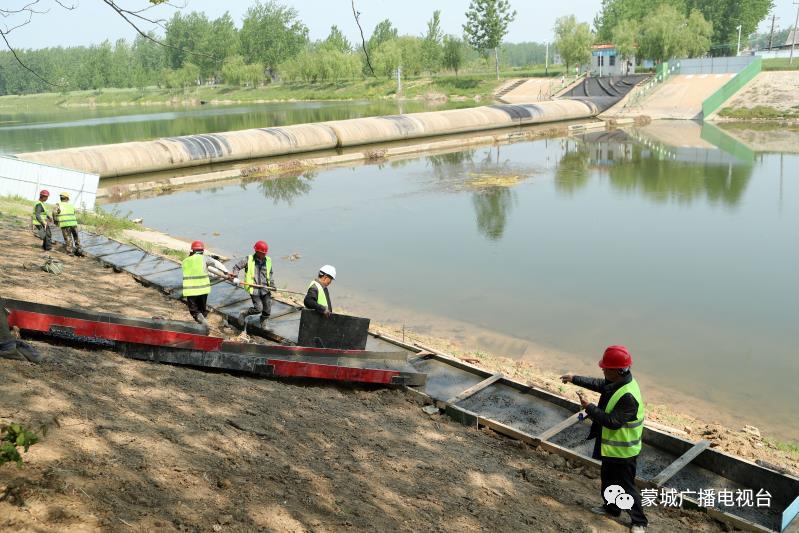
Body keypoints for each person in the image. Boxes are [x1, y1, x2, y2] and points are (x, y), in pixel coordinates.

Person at [560, 345, 648, 533]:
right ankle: (612, 508)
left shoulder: (628, 396)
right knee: (608, 481)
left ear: (617, 370)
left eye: (606, 367)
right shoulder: (618, 381)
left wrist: (589, 407)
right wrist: (574, 378)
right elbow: (600, 384)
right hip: (610, 447)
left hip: (624, 451)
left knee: (626, 486)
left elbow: (612, 422)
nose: (602, 369)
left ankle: (639, 521)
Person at [181, 240, 232, 327]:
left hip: (191, 290)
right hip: (203, 289)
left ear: (192, 250)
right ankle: (202, 323)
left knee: (194, 311)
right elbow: (216, 263)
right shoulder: (204, 258)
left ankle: (202, 323)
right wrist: (226, 272)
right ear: (203, 251)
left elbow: (194, 271)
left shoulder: (185, 261)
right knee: (201, 309)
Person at [232, 240, 274, 328]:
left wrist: (272, 285)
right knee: (258, 308)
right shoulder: (249, 259)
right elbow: (236, 267)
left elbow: (270, 274)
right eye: (262, 253)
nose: (264, 255)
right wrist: (235, 276)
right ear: (257, 251)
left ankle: (263, 320)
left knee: (268, 307)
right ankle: (244, 313)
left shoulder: (268, 261)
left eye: (265, 253)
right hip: (253, 289)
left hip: (265, 288)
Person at [52, 192, 83, 256]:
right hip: (73, 223)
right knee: (76, 237)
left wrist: (56, 222)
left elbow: (54, 214)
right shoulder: (71, 205)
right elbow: (73, 213)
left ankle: (70, 252)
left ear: (61, 198)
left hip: (65, 224)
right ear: (67, 198)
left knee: (68, 238)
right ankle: (79, 250)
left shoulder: (58, 205)